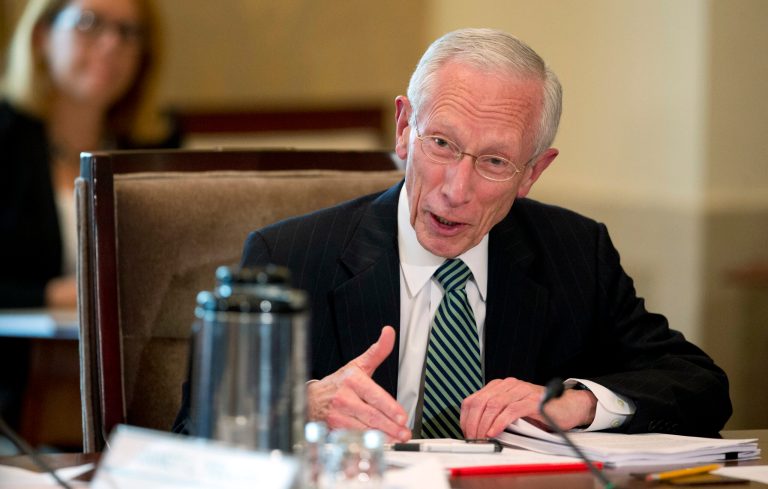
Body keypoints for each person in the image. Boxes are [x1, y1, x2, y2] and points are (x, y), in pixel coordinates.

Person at [174, 28, 731, 441]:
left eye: (495, 161)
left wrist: (576, 403)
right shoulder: (291, 257)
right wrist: (302, 407)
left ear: (532, 173)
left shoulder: (575, 254)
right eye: (441, 144)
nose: (456, 189)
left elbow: (700, 384)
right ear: (403, 129)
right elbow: (193, 429)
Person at [0, 0, 178, 437]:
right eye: (88, 22)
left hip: (134, 384)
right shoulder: (6, 138)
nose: (111, 43)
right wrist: (54, 293)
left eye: (128, 32)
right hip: (15, 388)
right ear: (42, 36)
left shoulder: (157, 147)